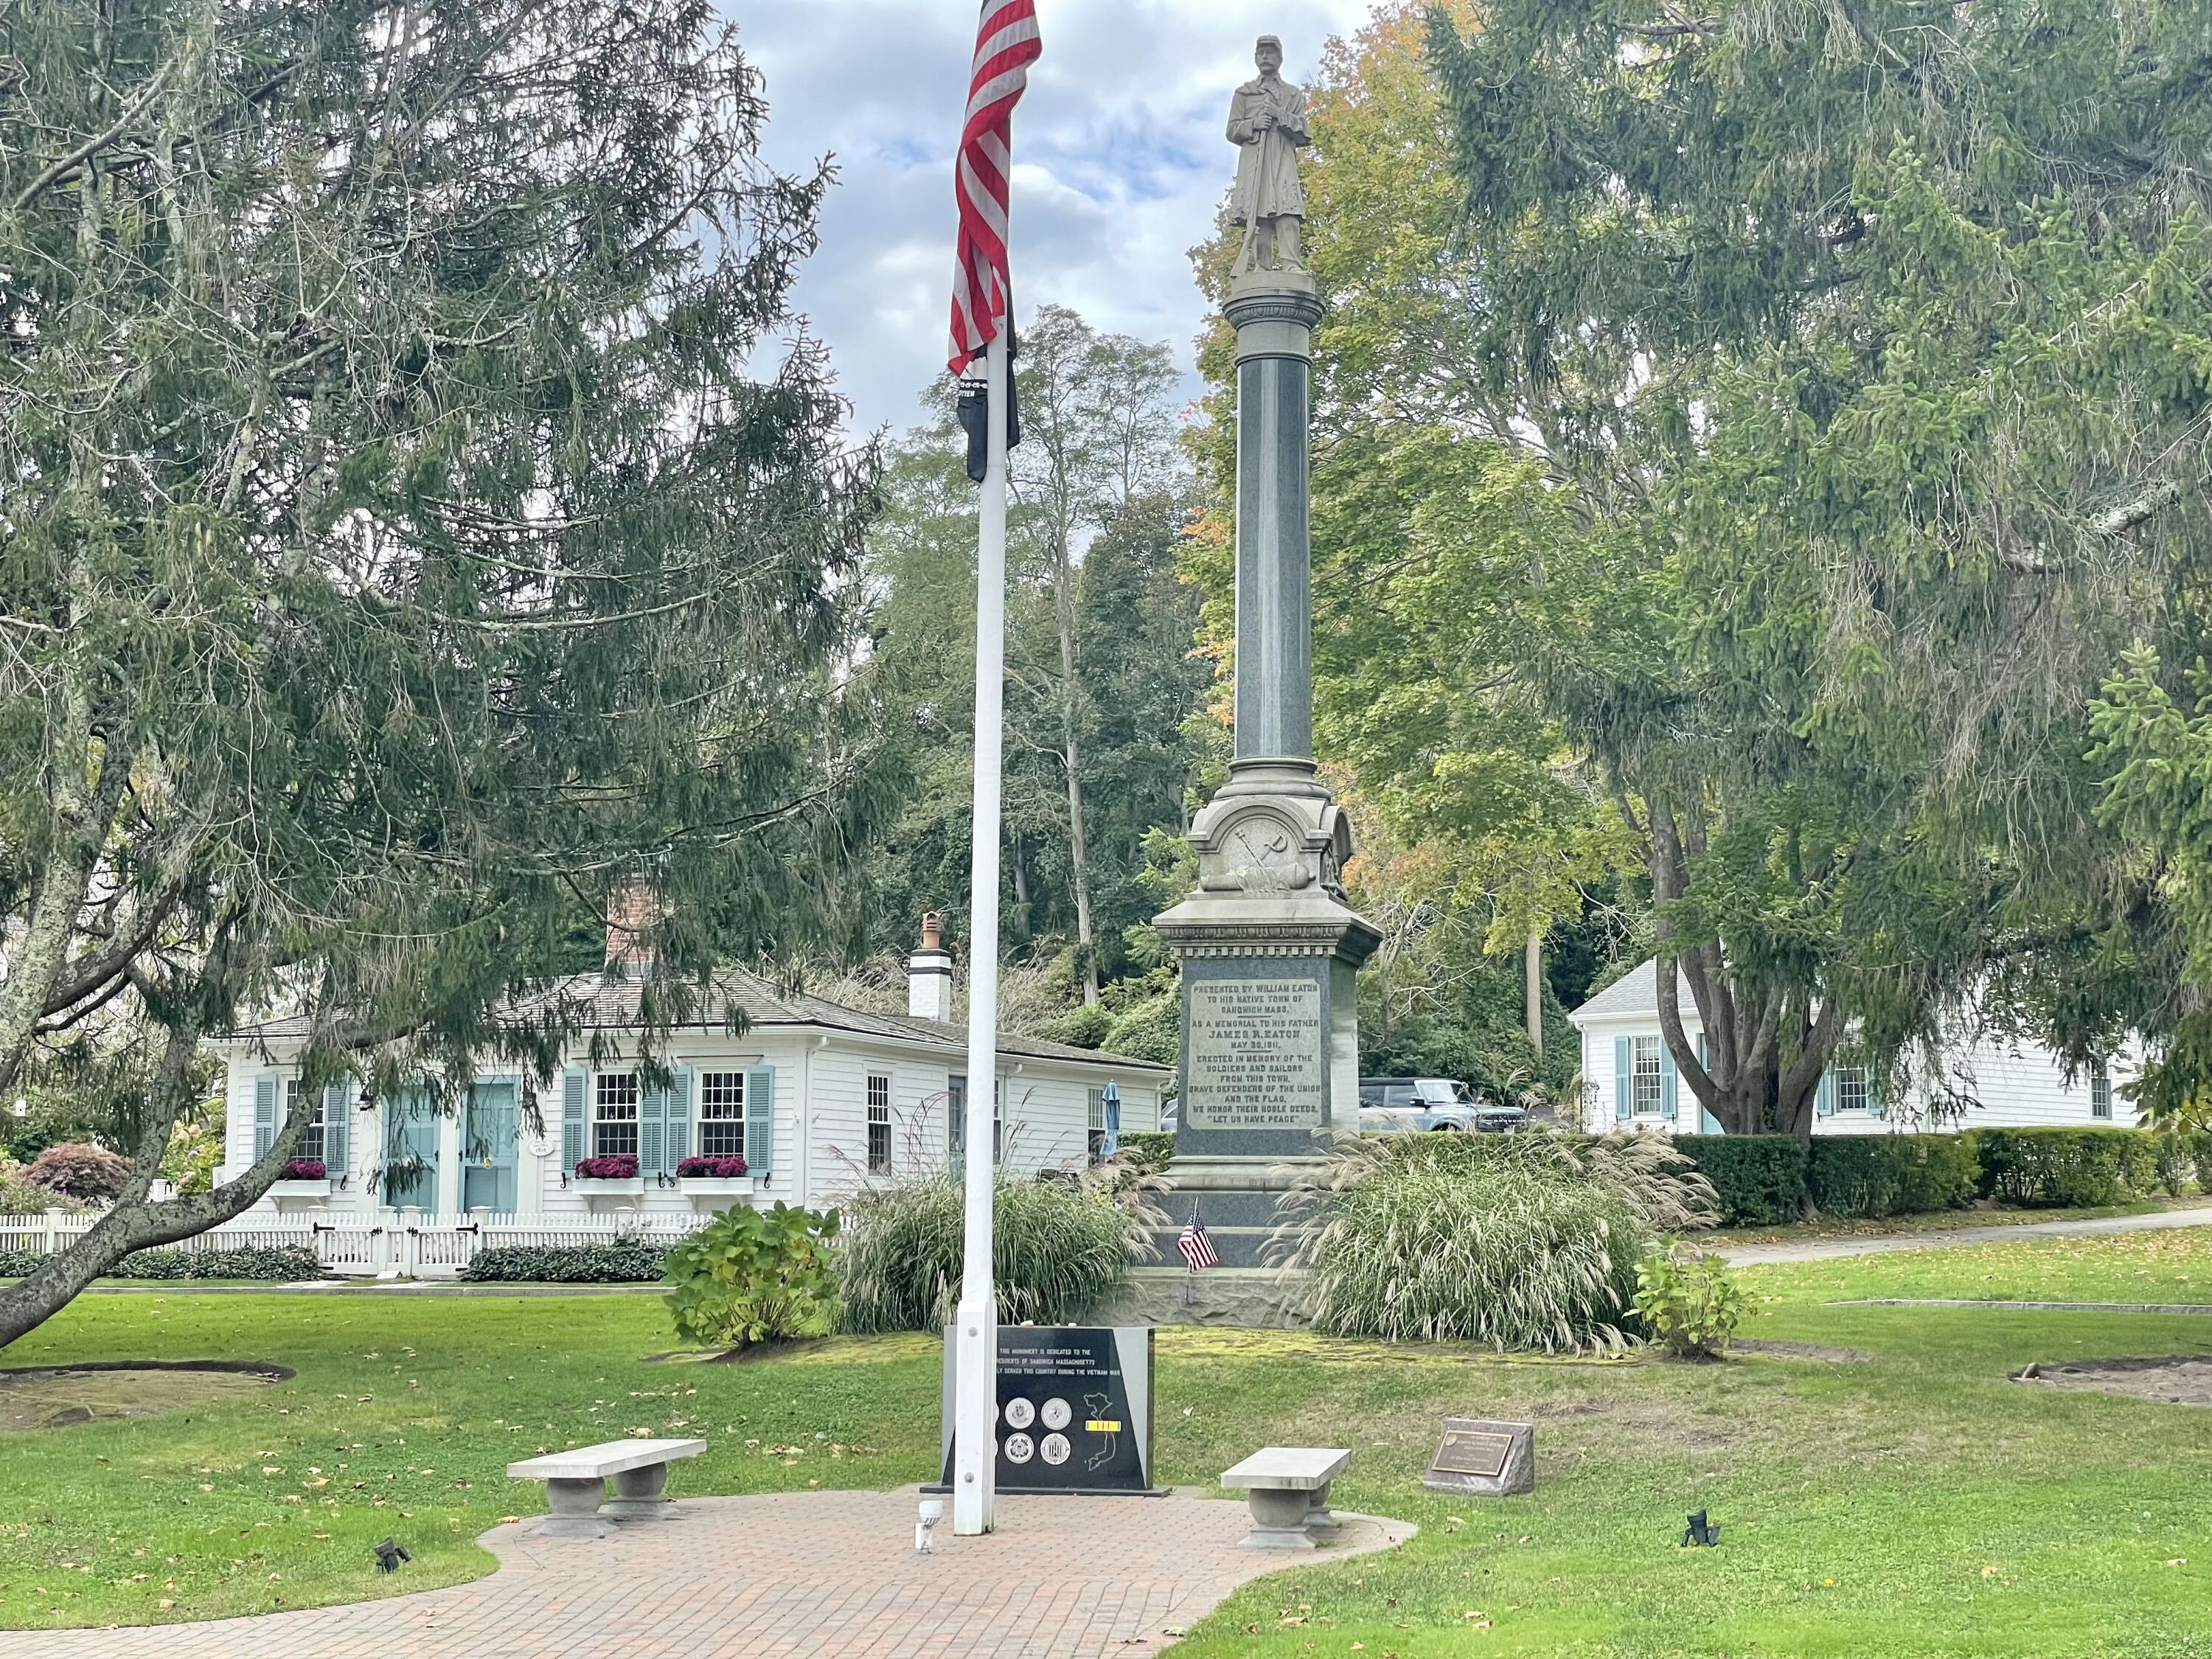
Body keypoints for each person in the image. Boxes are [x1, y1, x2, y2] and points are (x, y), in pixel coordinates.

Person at [1225, 35, 1310, 279]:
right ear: (1255, 58)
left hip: (1282, 156)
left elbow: (1304, 132)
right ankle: (1262, 266)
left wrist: (1279, 115)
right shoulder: (1244, 94)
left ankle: (1291, 264)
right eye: (1261, 53)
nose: (1265, 57)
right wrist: (1253, 124)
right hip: (1255, 160)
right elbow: (1231, 130)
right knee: (1260, 214)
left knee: (1288, 210)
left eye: (1270, 52)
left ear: (1280, 58)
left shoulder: (1293, 95)